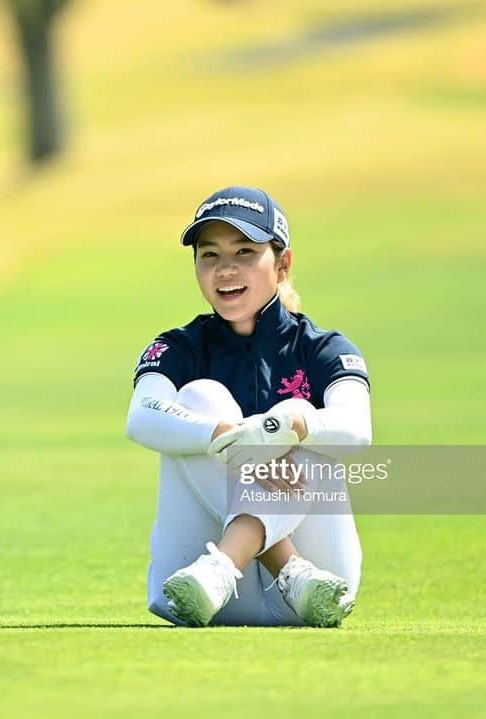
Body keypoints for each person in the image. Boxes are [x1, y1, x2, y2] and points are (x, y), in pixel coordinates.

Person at [125, 186, 373, 628]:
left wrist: (280, 428)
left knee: (300, 416)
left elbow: (357, 430)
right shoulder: (179, 347)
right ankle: (274, 568)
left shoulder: (324, 349)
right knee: (201, 398)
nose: (225, 270)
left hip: (319, 589)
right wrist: (229, 440)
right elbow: (142, 416)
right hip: (197, 590)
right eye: (210, 255)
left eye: (244, 251)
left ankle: (251, 567)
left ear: (283, 264)